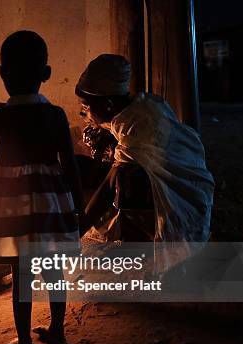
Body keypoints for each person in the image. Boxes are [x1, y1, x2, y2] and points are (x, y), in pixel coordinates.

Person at [0, 31, 83, 344]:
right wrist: (78, 205)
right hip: (50, 204)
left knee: (21, 273)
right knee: (52, 268)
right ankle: (58, 331)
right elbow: (71, 163)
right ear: (46, 74)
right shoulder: (56, 115)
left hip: (13, 210)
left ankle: (24, 342)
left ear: (1, 73)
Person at [75, 54, 214, 273]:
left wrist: (76, 231)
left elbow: (111, 185)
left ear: (109, 104)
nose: (84, 114)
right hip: (161, 181)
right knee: (92, 167)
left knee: (127, 178)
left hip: (180, 196)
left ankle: (139, 251)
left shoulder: (137, 126)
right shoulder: (140, 105)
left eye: (86, 107)